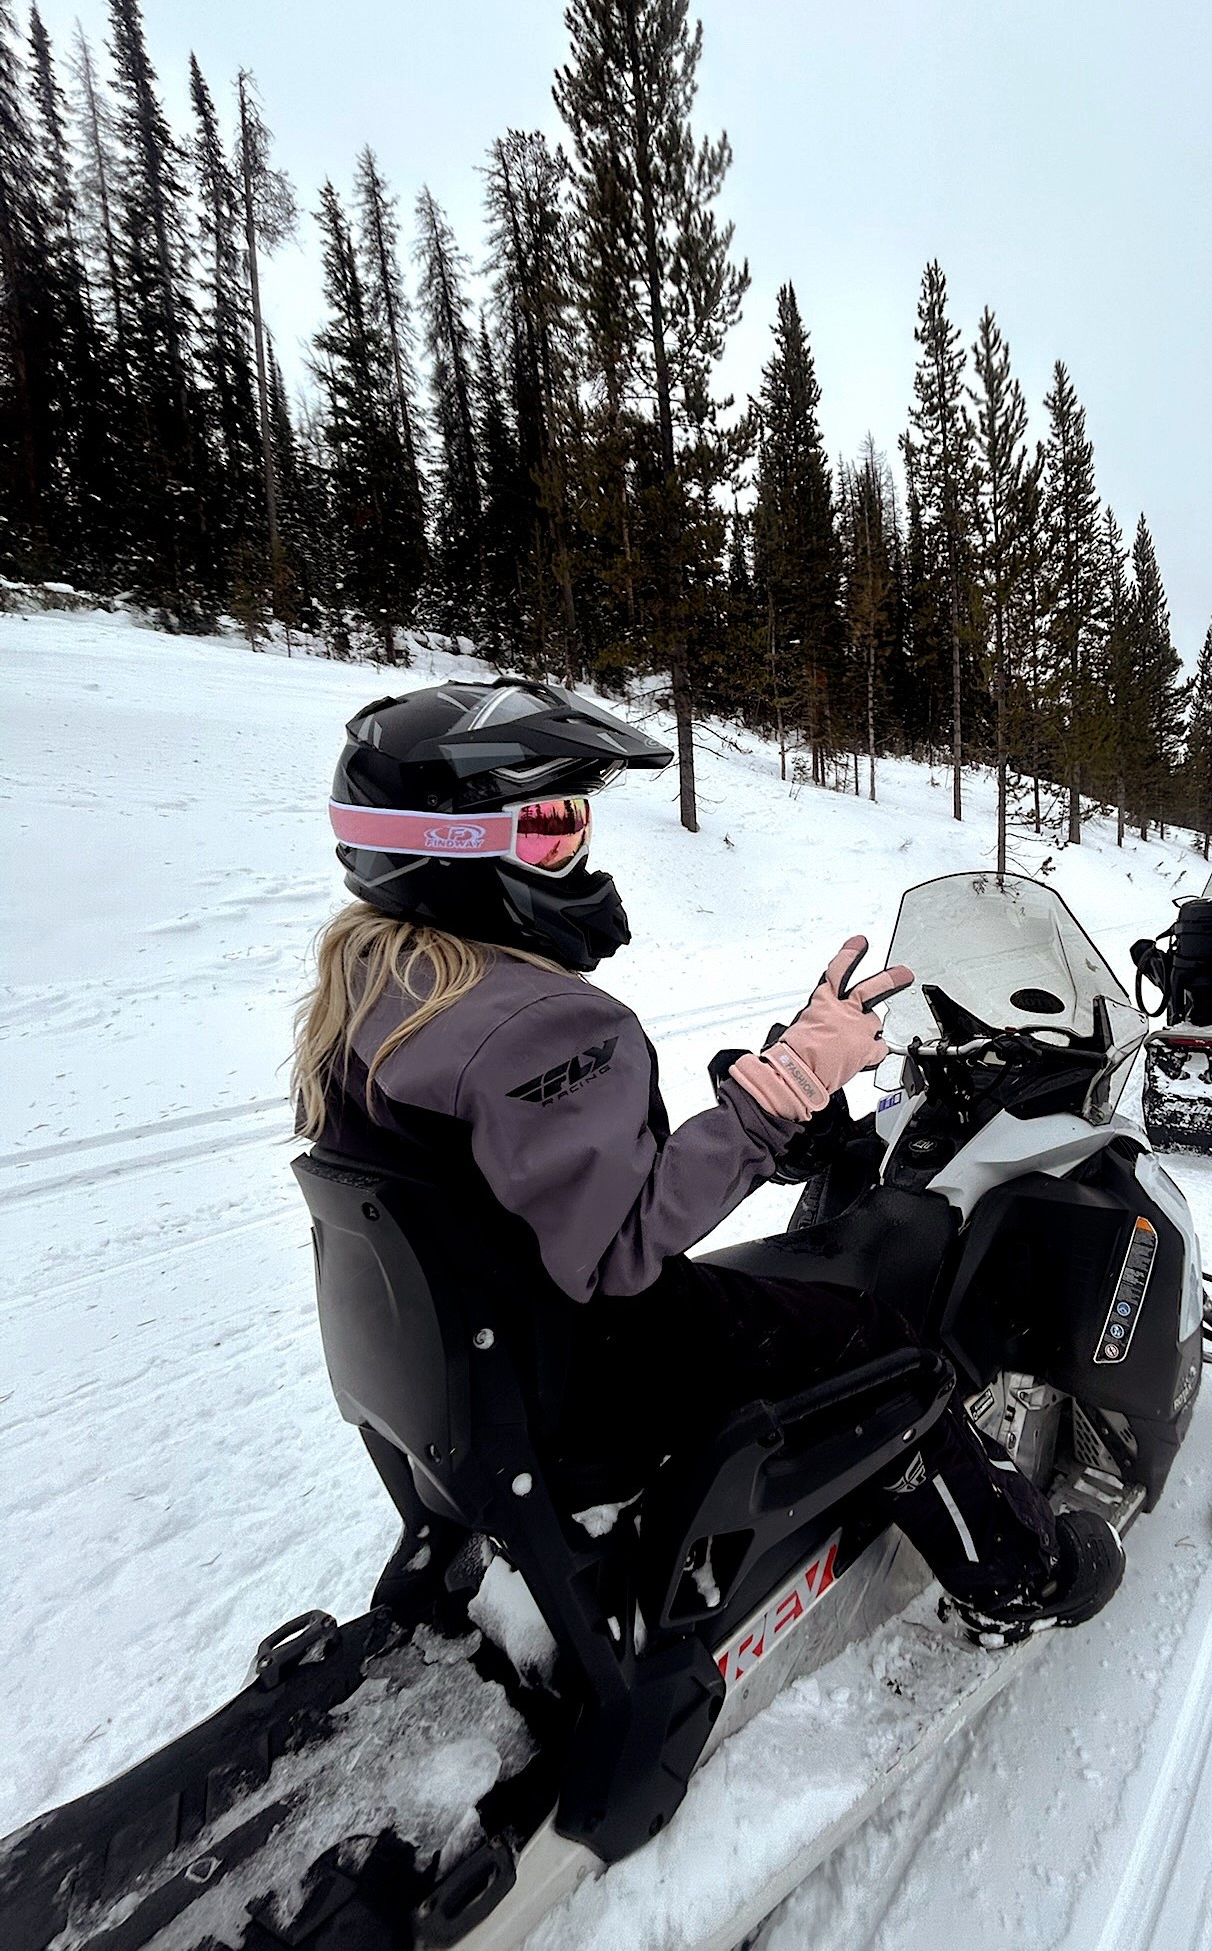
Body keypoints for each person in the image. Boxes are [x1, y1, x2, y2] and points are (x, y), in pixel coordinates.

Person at [294, 677, 1124, 1646]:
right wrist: (786, 1084)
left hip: (502, 1375)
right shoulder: (539, 1023)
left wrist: (765, 1105)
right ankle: (1017, 1573)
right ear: (452, 848)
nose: (578, 850)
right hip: (598, 1377)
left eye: (578, 824)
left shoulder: (374, 996)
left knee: (781, 1284)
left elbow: (550, 1184)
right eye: (551, 827)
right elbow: (620, 1246)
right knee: (889, 1348)